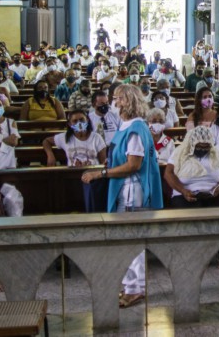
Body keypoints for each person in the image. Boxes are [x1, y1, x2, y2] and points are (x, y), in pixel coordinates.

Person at [81, 84, 163, 308]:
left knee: (132, 239)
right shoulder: (125, 125)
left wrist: (102, 173)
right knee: (126, 238)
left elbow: (133, 165)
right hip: (123, 188)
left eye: (117, 99)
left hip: (132, 190)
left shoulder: (136, 128)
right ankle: (129, 284)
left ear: (128, 101)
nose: (113, 103)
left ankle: (136, 288)